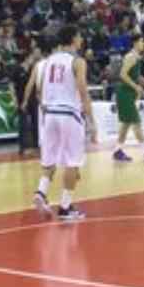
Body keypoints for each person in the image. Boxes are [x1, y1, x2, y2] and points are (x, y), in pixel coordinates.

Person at [28, 24, 95, 221]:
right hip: (69, 114)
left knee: (50, 159)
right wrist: (91, 119)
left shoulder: (47, 62)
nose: (81, 40)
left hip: (49, 114)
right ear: (74, 38)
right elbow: (82, 90)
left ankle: (41, 192)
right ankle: (65, 207)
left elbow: (40, 90)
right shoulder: (78, 61)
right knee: (73, 162)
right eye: (80, 37)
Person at [112, 23, 144, 163]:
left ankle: (118, 151)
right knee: (136, 123)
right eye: (141, 41)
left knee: (126, 124)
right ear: (135, 43)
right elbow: (122, 75)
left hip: (128, 93)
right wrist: (136, 87)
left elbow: (137, 76)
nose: (143, 43)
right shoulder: (130, 57)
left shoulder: (136, 57)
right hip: (125, 93)